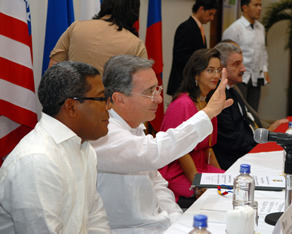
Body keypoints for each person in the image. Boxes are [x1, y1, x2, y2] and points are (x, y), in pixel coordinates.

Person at [91, 55, 232, 233]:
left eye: (157, 89)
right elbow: (154, 152)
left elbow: (158, 185)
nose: (158, 99)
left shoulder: (135, 128)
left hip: (159, 226)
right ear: (119, 99)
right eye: (149, 92)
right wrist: (208, 112)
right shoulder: (103, 133)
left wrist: (176, 221)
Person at [0, 62, 111, 233]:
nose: (108, 107)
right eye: (101, 98)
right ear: (71, 107)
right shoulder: (37, 160)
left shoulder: (85, 149)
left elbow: (95, 217)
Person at [160, 48, 225, 202]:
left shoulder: (205, 103)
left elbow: (208, 147)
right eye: (210, 70)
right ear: (196, 74)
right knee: (215, 198)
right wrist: (198, 184)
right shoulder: (182, 104)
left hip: (200, 167)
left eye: (218, 70)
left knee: (231, 186)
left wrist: (221, 173)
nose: (216, 76)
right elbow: (180, 150)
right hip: (178, 172)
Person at [213, 42, 288, 170]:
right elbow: (231, 141)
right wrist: (263, 145)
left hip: (250, 151)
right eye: (236, 64)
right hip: (236, 162)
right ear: (222, 69)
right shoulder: (218, 97)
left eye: (242, 63)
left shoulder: (233, 89)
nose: (243, 69)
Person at [48, 0, 147, 74]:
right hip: (111, 101)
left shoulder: (76, 27)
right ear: (134, 10)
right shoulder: (135, 44)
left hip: (73, 100)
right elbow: (143, 84)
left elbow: (53, 69)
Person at [222, 0, 269, 111]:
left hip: (256, 75)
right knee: (239, 108)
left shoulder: (261, 28)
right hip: (240, 76)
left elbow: (263, 51)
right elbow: (225, 54)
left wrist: (265, 69)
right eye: (256, 5)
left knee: (253, 110)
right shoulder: (234, 29)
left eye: (260, 5)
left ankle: (253, 128)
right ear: (245, 7)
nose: (259, 8)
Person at [166, 0, 219, 96]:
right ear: (201, 9)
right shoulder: (186, 27)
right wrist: (201, 67)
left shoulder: (199, 29)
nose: (212, 18)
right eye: (210, 14)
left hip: (193, 83)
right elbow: (181, 56)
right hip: (183, 83)